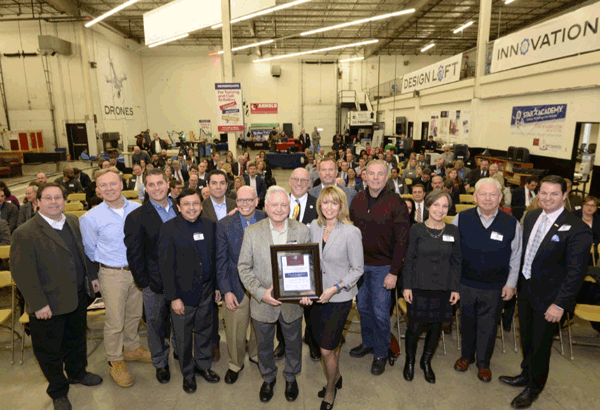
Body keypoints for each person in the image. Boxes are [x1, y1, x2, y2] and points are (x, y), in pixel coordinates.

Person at [499, 175, 593, 409]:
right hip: (528, 291)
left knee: (541, 344)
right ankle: (526, 373)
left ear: (564, 196)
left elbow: (576, 273)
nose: (547, 198)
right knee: (527, 339)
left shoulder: (578, 228)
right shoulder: (531, 217)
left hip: (551, 299)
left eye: (554, 194)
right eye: (543, 192)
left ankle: (534, 387)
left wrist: (560, 304)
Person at [10, 183, 102, 410]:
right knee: (49, 351)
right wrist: (38, 303)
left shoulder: (72, 221)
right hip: (48, 304)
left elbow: (83, 253)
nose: (54, 202)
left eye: (58, 197)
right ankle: (58, 390)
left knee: (77, 340)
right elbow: (22, 273)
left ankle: (77, 372)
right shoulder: (25, 232)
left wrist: (91, 277)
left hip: (77, 296)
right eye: (48, 198)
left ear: (64, 200)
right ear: (37, 202)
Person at [237, 186, 310, 403]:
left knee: (294, 343)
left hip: (293, 303)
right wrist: (260, 294)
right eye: (274, 204)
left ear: (290, 207)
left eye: (283, 204)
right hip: (262, 303)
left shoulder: (302, 230)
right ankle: (268, 378)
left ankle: (290, 377)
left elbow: (310, 266)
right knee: (264, 346)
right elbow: (244, 268)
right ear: (266, 207)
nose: (279, 209)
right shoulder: (252, 232)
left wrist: (307, 291)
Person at [80, 168, 149, 388]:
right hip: (111, 273)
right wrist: (96, 274)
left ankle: (132, 348)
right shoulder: (90, 218)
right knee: (115, 320)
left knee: (134, 314)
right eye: (103, 185)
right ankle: (114, 360)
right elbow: (90, 251)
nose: (109, 188)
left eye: (113, 183)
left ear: (122, 184)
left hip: (136, 272)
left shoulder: (137, 209)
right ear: (98, 190)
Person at [452, 178, 522, 382]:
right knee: (466, 324)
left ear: (500, 198)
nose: (488, 198)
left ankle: (483, 363)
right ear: (475, 197)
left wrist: (511, 283)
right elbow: (452, 253)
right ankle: (466, 356)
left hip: (495, 287)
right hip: (465, 283)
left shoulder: (512, 223)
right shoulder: (461, 218)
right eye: (483, 194)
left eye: (493, 194)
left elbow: (516, 256)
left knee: (489, 326)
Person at [300, 186, 364, 409]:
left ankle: (330, 389)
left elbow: (357, 270)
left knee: (327, 348)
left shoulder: (351, 232)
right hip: (316, 298)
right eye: (325, 202)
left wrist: (335, 288)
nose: (329, 207)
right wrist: (305, 290)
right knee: (325, 344)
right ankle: (335, 376)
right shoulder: (313, 227)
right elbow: (307, 261)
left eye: (333, 203)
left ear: (341, 206)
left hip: (339, 298)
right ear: (320, 206)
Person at [349, 160, 410, 376]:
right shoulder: (356, 200)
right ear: (364, 175)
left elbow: (403, 241)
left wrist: (394, 272)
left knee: (381, 313)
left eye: (380, 174)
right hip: (360, 267)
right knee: (364, 309)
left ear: (387, 177)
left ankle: (381, 353)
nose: (375, 178)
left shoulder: (397, 203)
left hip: (385, 268)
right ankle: (368, 343)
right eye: (371, 173)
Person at [158, 189, 221, 394]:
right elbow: (166, 268)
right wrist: (173, 298)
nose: (192, 207)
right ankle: (188, 373)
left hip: (207, 291)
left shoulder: (211, 226)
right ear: (178, 207)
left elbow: (216, 259)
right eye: (187, 204)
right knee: (183, 337)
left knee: (205, 332)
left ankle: (203, 366)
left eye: (195, 203)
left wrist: (218, 287)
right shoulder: (169, 229)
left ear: (201, 205)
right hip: (182, 295)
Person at [124, 169, 178, 385]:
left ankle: (181, 354)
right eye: (151, 184)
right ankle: (160, 362)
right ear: (145, 188)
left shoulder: (182, 208)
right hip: (153, 283)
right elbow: (134, 254)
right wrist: (144, 283)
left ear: (167, 184)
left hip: (181, 279)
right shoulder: (136, 216)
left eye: (160, 183)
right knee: (155, 324)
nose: (157, 188)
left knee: (180, 321)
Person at [402, 189, 461, 384]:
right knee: (414, 327)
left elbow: (456, 262)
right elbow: (409, 259)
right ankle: (409, 360)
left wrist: (455, 288)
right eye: (436, 205)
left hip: (443, 289)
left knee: (436, 327)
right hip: (418, 287)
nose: (440, 209)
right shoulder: (416, 230)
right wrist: (407, 286)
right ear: (428, 206)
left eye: (444, 206)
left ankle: (425, 361)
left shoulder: (453, 231)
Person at [216, 186, 263, 384]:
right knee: (235, 328)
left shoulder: (268, 219)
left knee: (260, 326)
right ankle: (235, 363)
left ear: (257, 201)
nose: (244, 204)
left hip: (262, 286)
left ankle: (256, 354)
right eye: (240, 200)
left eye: (249, 200)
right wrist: (226, 291)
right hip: (236, 286)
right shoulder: (224, 224)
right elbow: (221, 261)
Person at [201, 169, 237, 361]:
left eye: (221, 183)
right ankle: (213, 343)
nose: (218, 186)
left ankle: (237, 339)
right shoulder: (199, 207)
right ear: (207, 185)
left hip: (230, 262)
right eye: (213, 183)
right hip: (208, 263)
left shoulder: (235, 204)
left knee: (235, 302)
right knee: (210, 308)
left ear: (227, 185)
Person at [284, 168, 320, 361]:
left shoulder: (318, 205)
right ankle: (282, 345)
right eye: (296, 179)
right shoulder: (280, 202)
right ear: (290, 180)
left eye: (303, 180)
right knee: (283, 307)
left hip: (309, 265)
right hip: (283, 265)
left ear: (309, 183)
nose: (299, 183)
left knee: (310, 308)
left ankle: (313, 343)